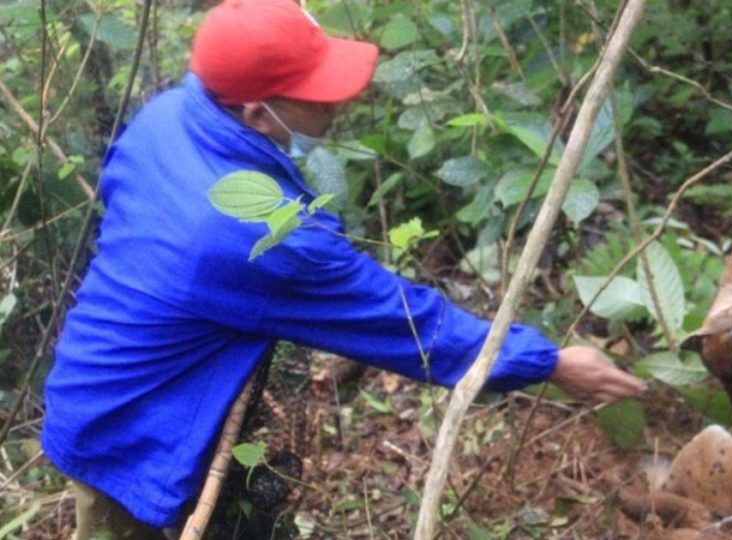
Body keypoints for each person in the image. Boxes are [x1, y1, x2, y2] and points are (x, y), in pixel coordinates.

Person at [40, 0, 645, 537]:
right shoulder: (257, 242)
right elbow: (402, 323)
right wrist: (549, 361)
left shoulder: (169, 116)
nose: (340, 99)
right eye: (316, 91)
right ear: (255, 114)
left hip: (98, 386)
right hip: (129, 439)